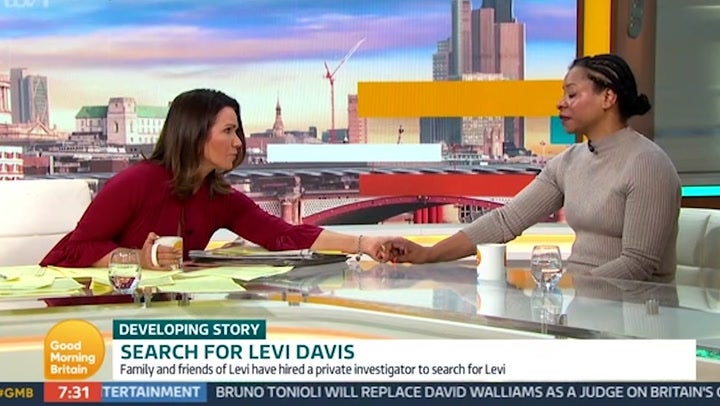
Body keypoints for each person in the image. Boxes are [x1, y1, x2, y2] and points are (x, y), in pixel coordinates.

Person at [385, 54, 681, 283]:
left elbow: (638, 264)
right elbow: (505, 222)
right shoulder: (569, 161)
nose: (560, 103)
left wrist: (569, 291)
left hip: (634, 313)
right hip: (583, 309)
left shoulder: (647, 164)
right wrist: (428, 254)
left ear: (608, 98)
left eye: (572, 94)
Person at [40, 89, 390, 269]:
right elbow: (72, 250)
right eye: (228, 131)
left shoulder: (219, 197)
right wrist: (138, 260)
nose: (238, 142)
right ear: (195, 134)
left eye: (238, 131)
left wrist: (364, 244)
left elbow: (283, 235)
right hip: (93, 322)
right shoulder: (136, 183)